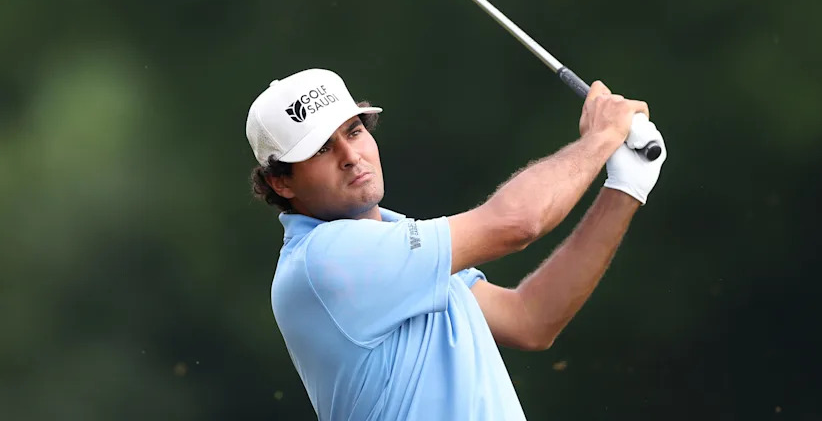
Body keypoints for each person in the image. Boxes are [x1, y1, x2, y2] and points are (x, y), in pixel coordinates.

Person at [246, 68, 667, 420]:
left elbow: (530, 319)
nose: (350, 155)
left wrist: (625, 188)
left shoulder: (401, 245)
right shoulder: (325, 260)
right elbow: (516, 223)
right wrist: (600, 138)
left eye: (353, 131)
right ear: (279, 181)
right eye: (321, 148)